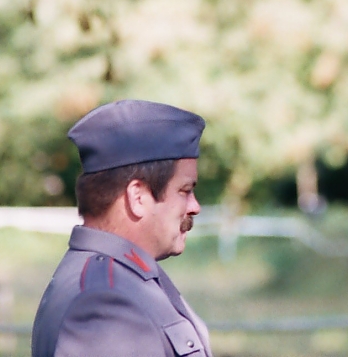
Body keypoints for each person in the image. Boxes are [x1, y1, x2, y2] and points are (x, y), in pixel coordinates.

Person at [32, 99, 213, 357]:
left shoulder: (123, 279)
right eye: (185, 191)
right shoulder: (104, 300)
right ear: (138, 197)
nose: (195, 206)